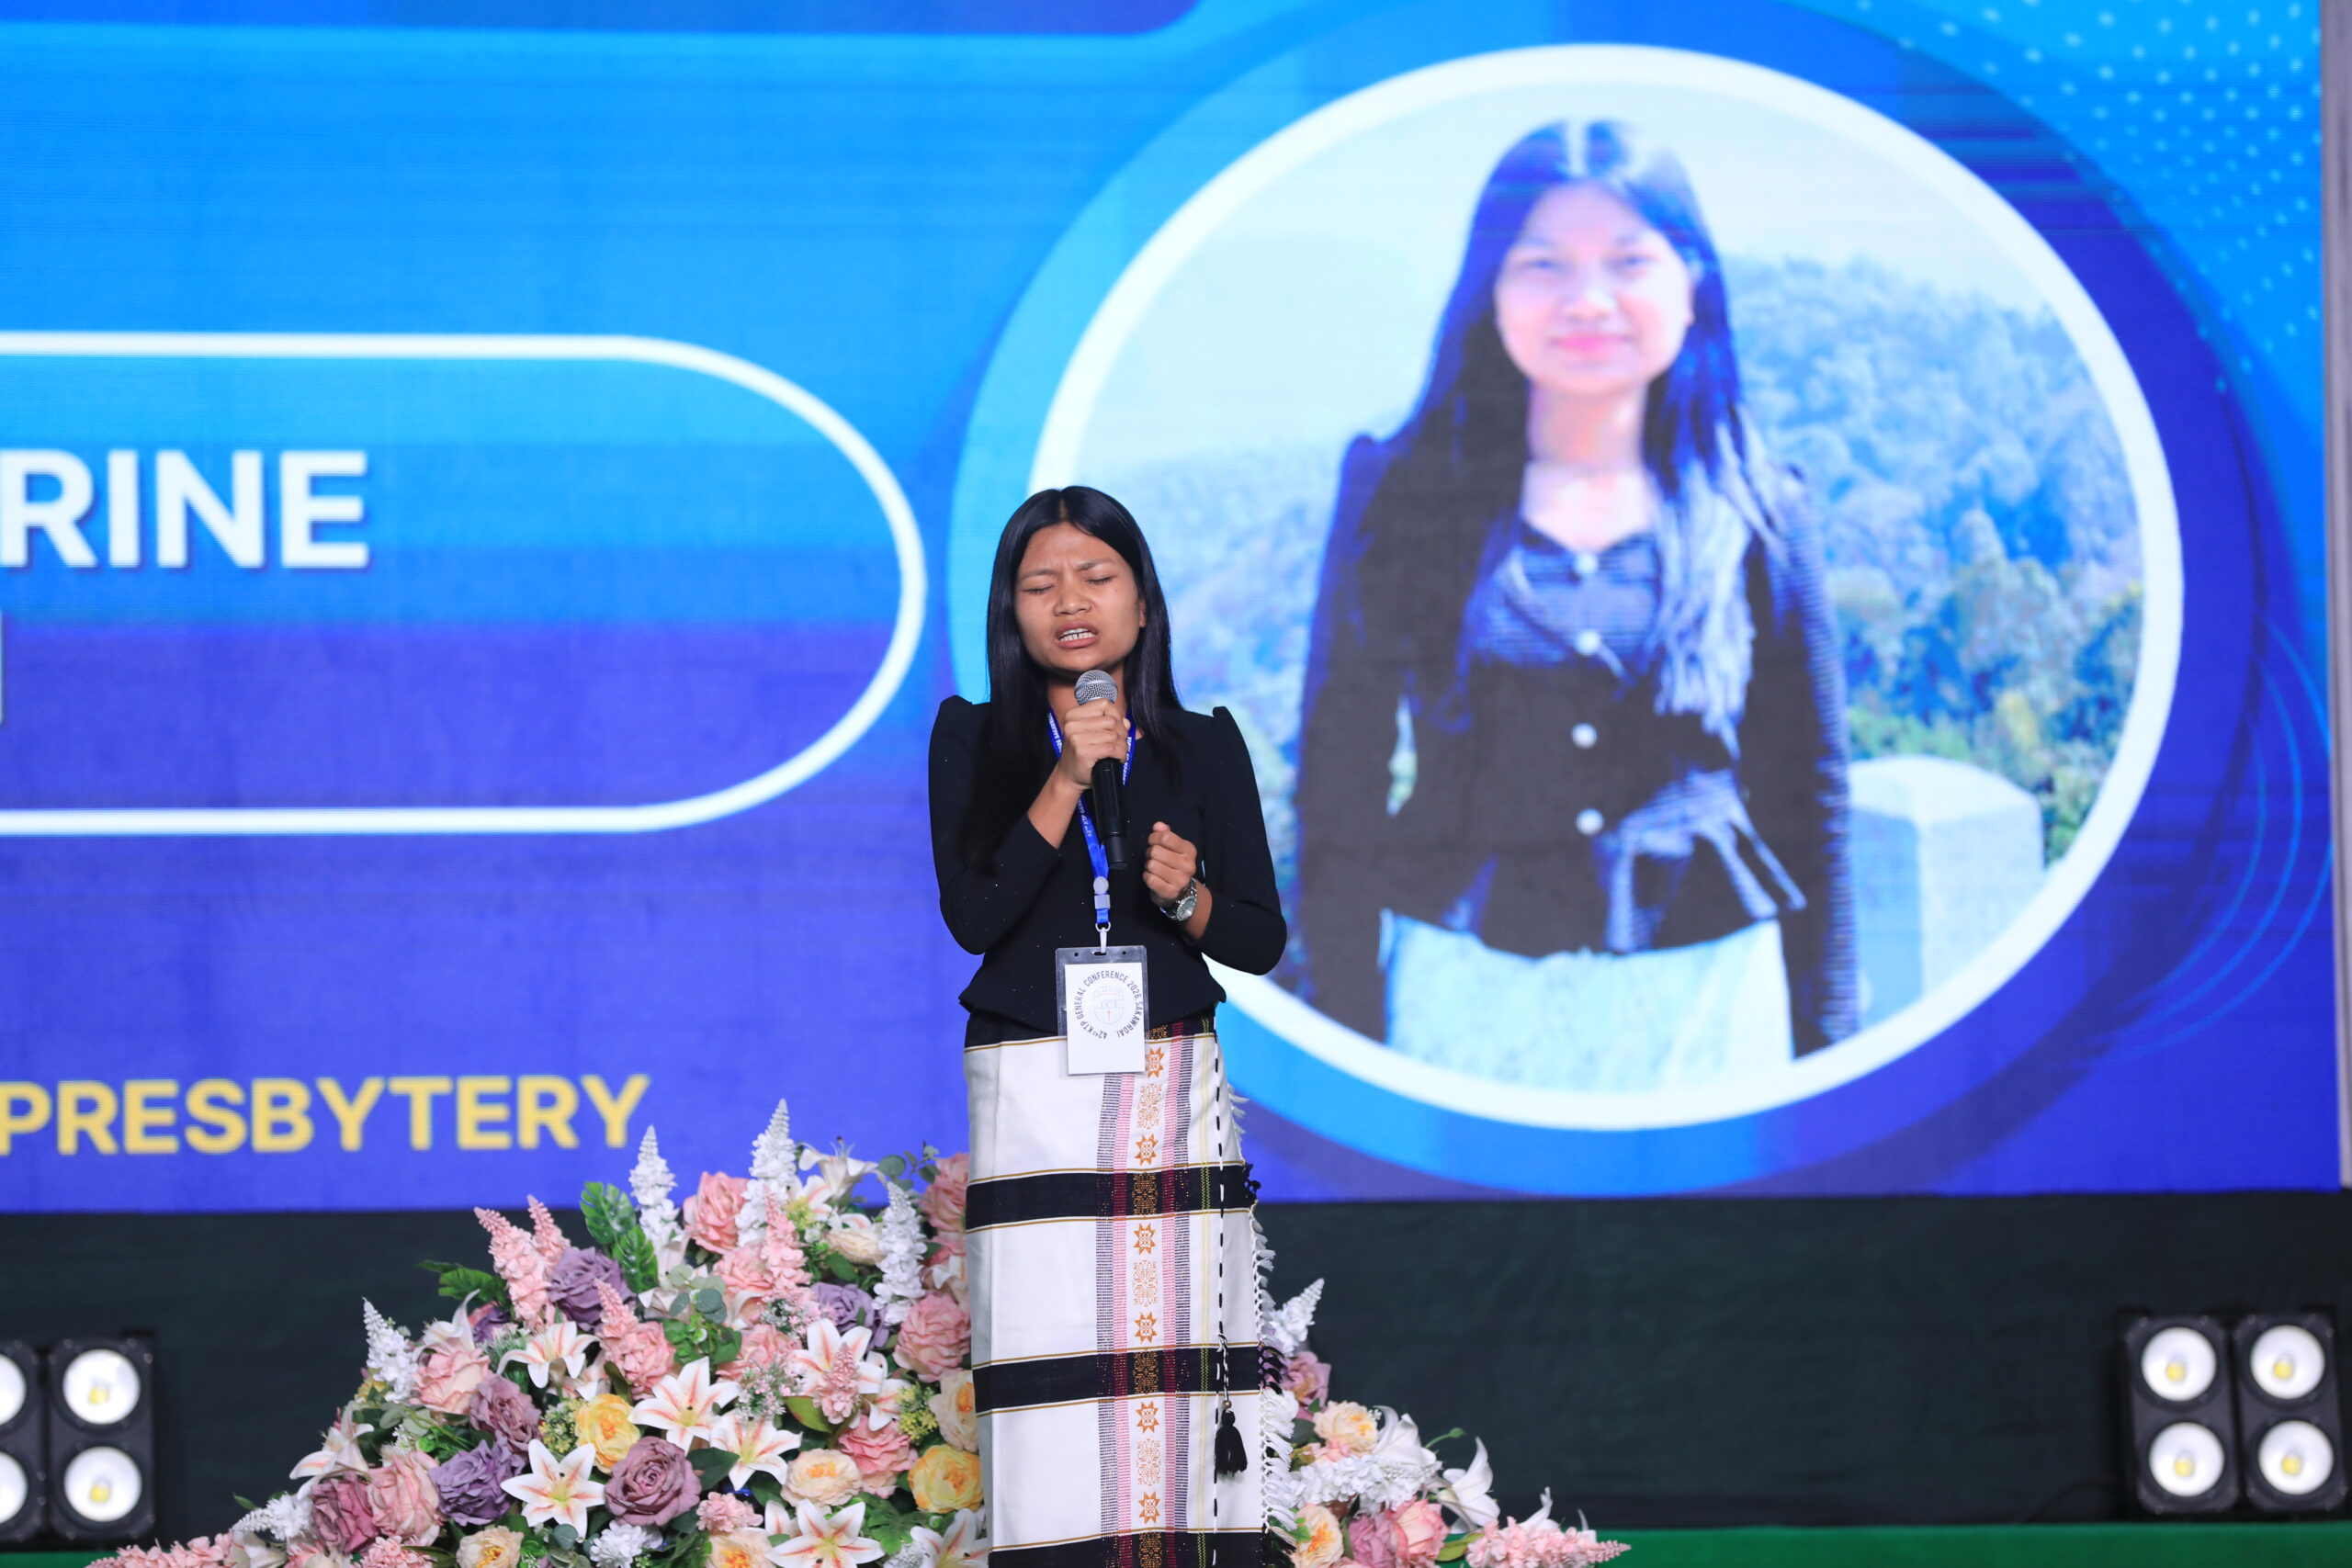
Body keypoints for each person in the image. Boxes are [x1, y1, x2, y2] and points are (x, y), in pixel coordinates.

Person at [1295, 118, 1856, 1090]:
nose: (1587, 300)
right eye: (1543, 264)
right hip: (1465, 1006)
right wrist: (1344, 1040)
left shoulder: (1759, 508)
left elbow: (1812, 799)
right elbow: (1337, 784)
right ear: (1491, 289)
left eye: (1628, 262)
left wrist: (1834, 1056)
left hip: (1707, 1013)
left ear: (1691, 283)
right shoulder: (1401, 494)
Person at [930, 485, 1286, 1568]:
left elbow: (1258, 937)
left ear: (1141, 600)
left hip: (1167, 1074)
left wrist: (1187, 898)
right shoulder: (973, 738)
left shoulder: (1202, 745)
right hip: (1032, 1080)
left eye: (1096, 577)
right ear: (1012, 612)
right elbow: (976, 916)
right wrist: (1064, 777)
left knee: (1171, 1348)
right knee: (1050, 1352)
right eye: (1041, 585)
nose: (1070, 602)